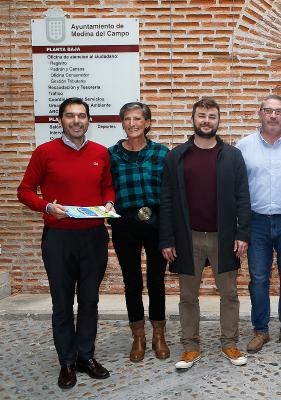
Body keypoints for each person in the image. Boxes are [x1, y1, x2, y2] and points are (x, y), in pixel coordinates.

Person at [17, 97, 114, 389]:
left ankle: (86, 356)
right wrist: (46, 207)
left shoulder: (101, 153)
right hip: (58, 239)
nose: (76, 121)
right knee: (62, 303)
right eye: (70, 116)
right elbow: (24, 191)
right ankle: (67, 362)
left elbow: (107, 185)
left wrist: (109, 201)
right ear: (60, 120)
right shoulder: (44, 153)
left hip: (94, 237)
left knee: (90, 300)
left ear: (88, 120)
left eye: (81, 116)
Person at [159, 97, 251, 370]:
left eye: (212, 116)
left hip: (224, 237)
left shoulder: (232, 156)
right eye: (202, 115)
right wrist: (167, 239)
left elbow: (243, 197)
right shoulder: (176, 156)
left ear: (218, 120)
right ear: (193, 119)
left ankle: (230, 343)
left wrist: (242, 234)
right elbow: (166, 200)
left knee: (229, 294)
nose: (206, 121)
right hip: (188, 238)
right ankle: (190, 347)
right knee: (188, 296)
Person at [236, 95, 281, 353]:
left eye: (279, 111)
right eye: (268, 111)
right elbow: (239, 188)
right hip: (256, 222)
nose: (273, 116)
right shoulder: (243, 146)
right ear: (260, 114)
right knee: (259, 278)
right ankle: (260, 330)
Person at [108, 102, 170, 362]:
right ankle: (138, 336)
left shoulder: (162, 153)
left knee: (156, 280)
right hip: (124, 223)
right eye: (127, 119)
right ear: (122, 123)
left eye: (137, 119)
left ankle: (158, 335)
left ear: (147, 123)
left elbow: (169, 193)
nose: (132, 124)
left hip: (155, 222)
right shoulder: (111, 155)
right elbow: (105, 189)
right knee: (131, 281)